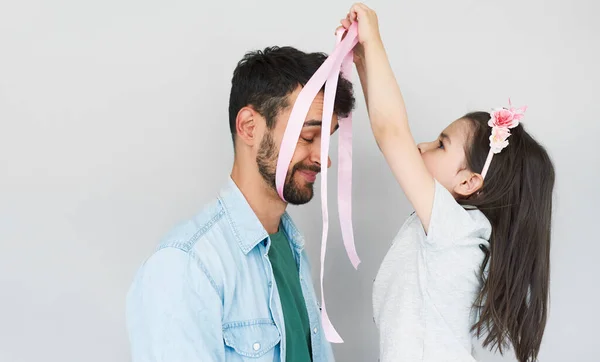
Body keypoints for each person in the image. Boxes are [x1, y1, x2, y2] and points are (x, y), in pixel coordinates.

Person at [338, 3, 555, 362]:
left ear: (469, 182)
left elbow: (391, 133)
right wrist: (364, 60)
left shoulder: (455, 229)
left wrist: (375, 40)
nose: (421, 146)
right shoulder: (458, 231)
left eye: (440, 144)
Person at [125, 46, 355, 361]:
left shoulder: (290, 247)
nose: (322, 159)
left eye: (326, 141)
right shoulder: (186, 265)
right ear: (249, 127)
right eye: (307, 137)